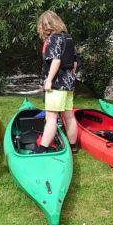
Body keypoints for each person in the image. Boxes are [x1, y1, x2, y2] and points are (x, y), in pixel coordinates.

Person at [36, 10, 79, 153]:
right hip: (68, 82)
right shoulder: (68, 38)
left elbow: (56, 60)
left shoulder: (54, 39)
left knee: (51, 116)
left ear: (45, 25)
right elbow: (74, 63)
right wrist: (70, 77)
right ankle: (73, 146)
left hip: (57, 82)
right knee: (69, 114)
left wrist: (48, 80)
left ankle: (42, 148)